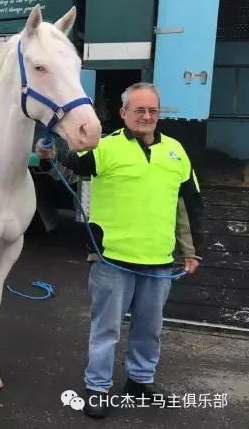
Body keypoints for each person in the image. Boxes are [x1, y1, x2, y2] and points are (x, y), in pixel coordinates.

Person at [36, 82, 204, 419]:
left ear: (158, 114)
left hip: (159, 261)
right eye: (138, 110)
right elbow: (67, 165)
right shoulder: (105, 147)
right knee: (106, 329)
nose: (146, 116)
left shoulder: (176, 151)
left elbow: (188, 204)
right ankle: (97, 387)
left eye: (152, 110)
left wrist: (192, 250)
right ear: (123, 113)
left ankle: (140, 383)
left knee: (149, 328)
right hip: (113, 260)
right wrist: (48, 154)